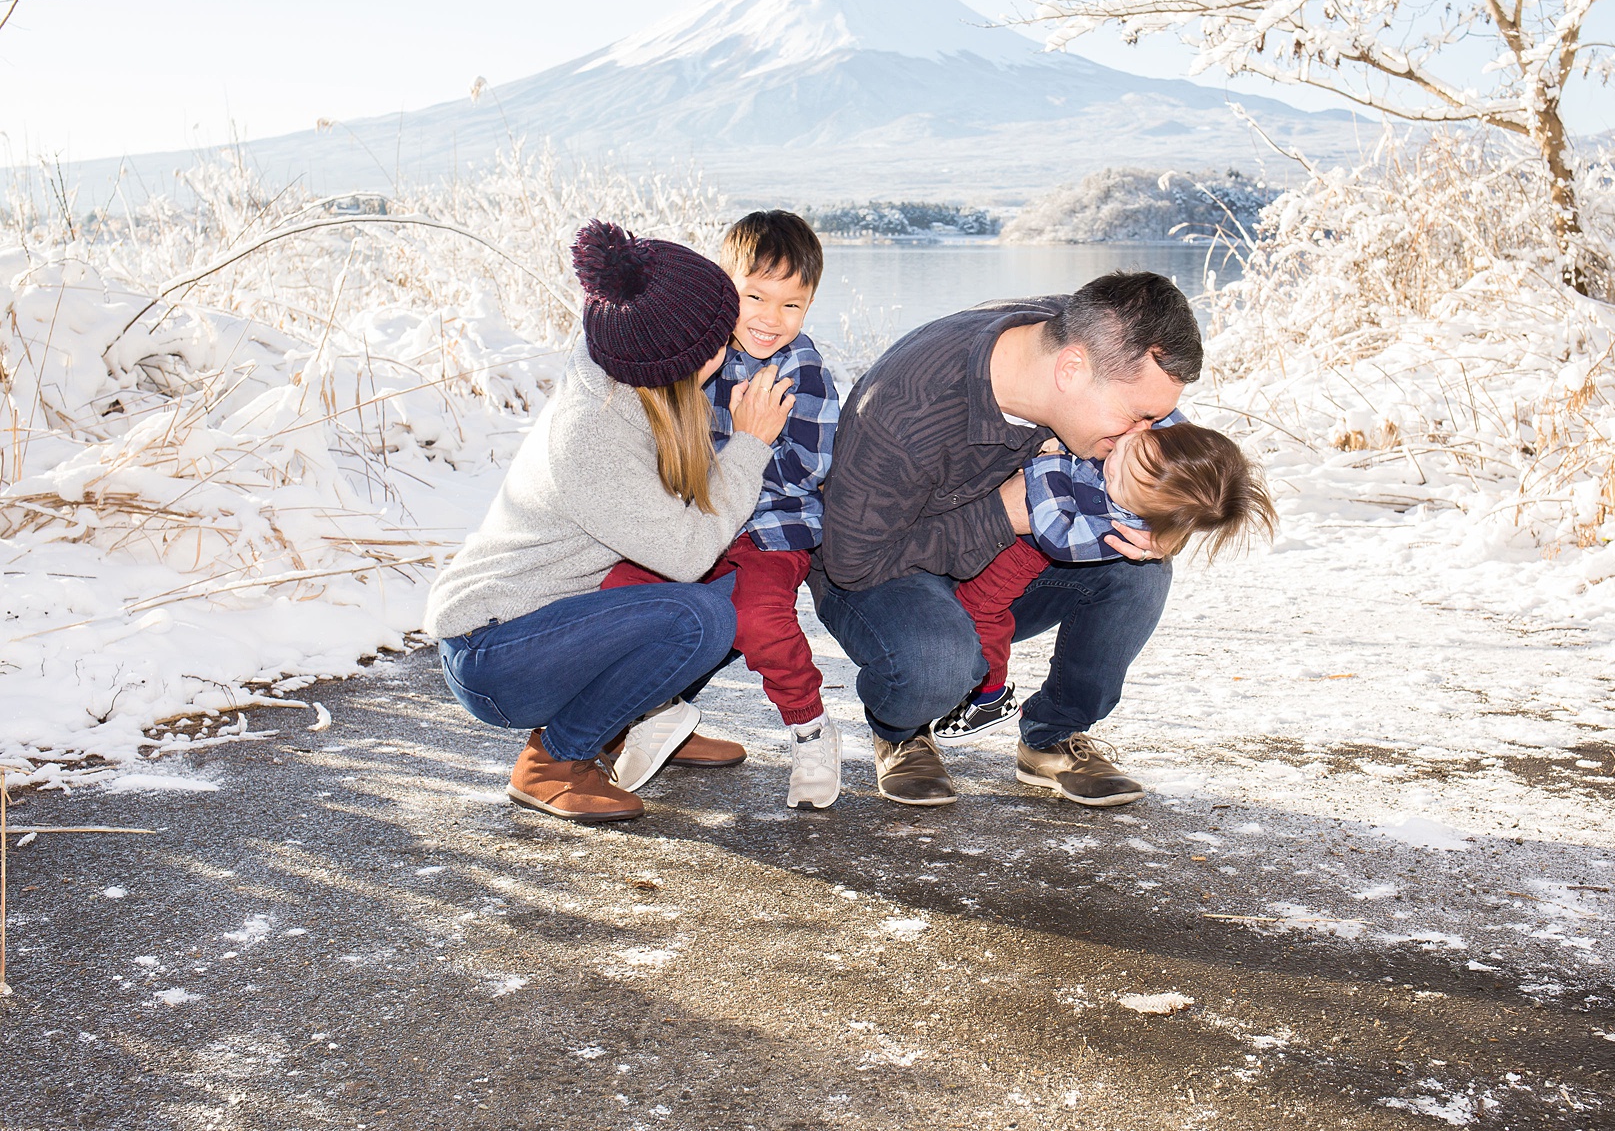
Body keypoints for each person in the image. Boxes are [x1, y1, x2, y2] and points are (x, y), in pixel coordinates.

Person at [423, 221, 795, 823]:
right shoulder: (593, 435)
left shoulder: (629, 365)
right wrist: (750, 444)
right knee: (701, 615)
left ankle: (631, 721)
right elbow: (688, 554)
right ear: (681, 358)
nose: (729, 348)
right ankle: (556, 758)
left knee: (745, 587)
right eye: (718, 341)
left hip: (553, 623)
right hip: (494, 651)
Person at [812, 271, 1204, 808]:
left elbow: (1170, 458)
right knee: (940, 662)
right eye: (1138, 416)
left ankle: (1051, 738)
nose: (1144, 435)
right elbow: (853, 562)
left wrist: (1164, 522)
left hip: (999, 566)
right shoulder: (905, 410)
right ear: (1071, 370)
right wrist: (1006, 512)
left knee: (1135, 565)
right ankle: (900, 731)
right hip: (881, 567)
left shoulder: (1092, 341)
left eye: (1156, 418)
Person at [602, 211, 844, 809]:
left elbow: (808, 470)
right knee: (620, 592)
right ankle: (659, 710)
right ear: (721, 288)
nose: (771, 318)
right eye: (754, 296)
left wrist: (744, 447)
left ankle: (810, 727)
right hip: (692, 522)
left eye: (793, 305)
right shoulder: (694, 355)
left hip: (769, 527)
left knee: (758, 618)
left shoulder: (801, 372)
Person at [936, 417, 1277, 743]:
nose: (1113, 462)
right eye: (1132, 447)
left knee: (979, 607)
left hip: (1024, 547)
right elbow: (1165, 415)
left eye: (1118, 483)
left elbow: (1055, 529)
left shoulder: (1113, 526)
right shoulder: (1157, 452)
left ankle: (992, 696)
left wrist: (1049, 457)